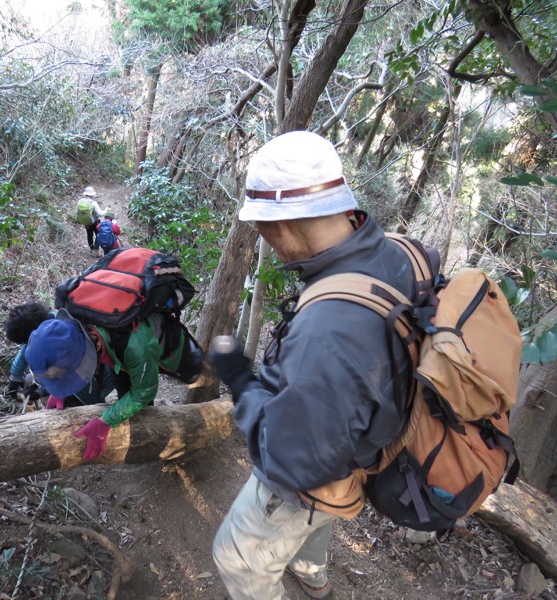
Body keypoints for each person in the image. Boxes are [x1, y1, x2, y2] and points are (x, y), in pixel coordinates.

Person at [208, 131, 417, 600]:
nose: (266, 242)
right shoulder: (402, 254)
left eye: (261, 229)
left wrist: (240, 377)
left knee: (235, 556)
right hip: (373, 445)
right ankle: (312, 572)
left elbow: (291, 461)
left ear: (281, 225)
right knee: (323, 505)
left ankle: (301, 570)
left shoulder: (328, 331)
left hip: (323, 468)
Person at [25, 309, 203, 460]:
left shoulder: (136, 347)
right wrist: (61, 388)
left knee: (144, 404)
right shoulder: (73, 324)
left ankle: (154, 443)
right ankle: (137, 437)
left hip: (165, 350)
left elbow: (143, 393)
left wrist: (105, 422)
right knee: (125, 397)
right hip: (114, 354)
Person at [4, 301, 115, 408]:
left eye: (27, 342)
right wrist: (16, 377)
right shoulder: (49, 331)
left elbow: (77, 380)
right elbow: (25, 351)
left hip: (103, 383)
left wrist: (46, 391)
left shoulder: (67, 343)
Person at [76, 186, 107, 255]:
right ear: (92, 195)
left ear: (85, 194)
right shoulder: (93, 203)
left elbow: (76, 212)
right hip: (94, 222)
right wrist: (106, 210)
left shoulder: (80, 201)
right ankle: (96, 250)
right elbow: (100, 214)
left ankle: (91, 248)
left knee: (89, 234)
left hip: (86, 222)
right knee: (98, 234)